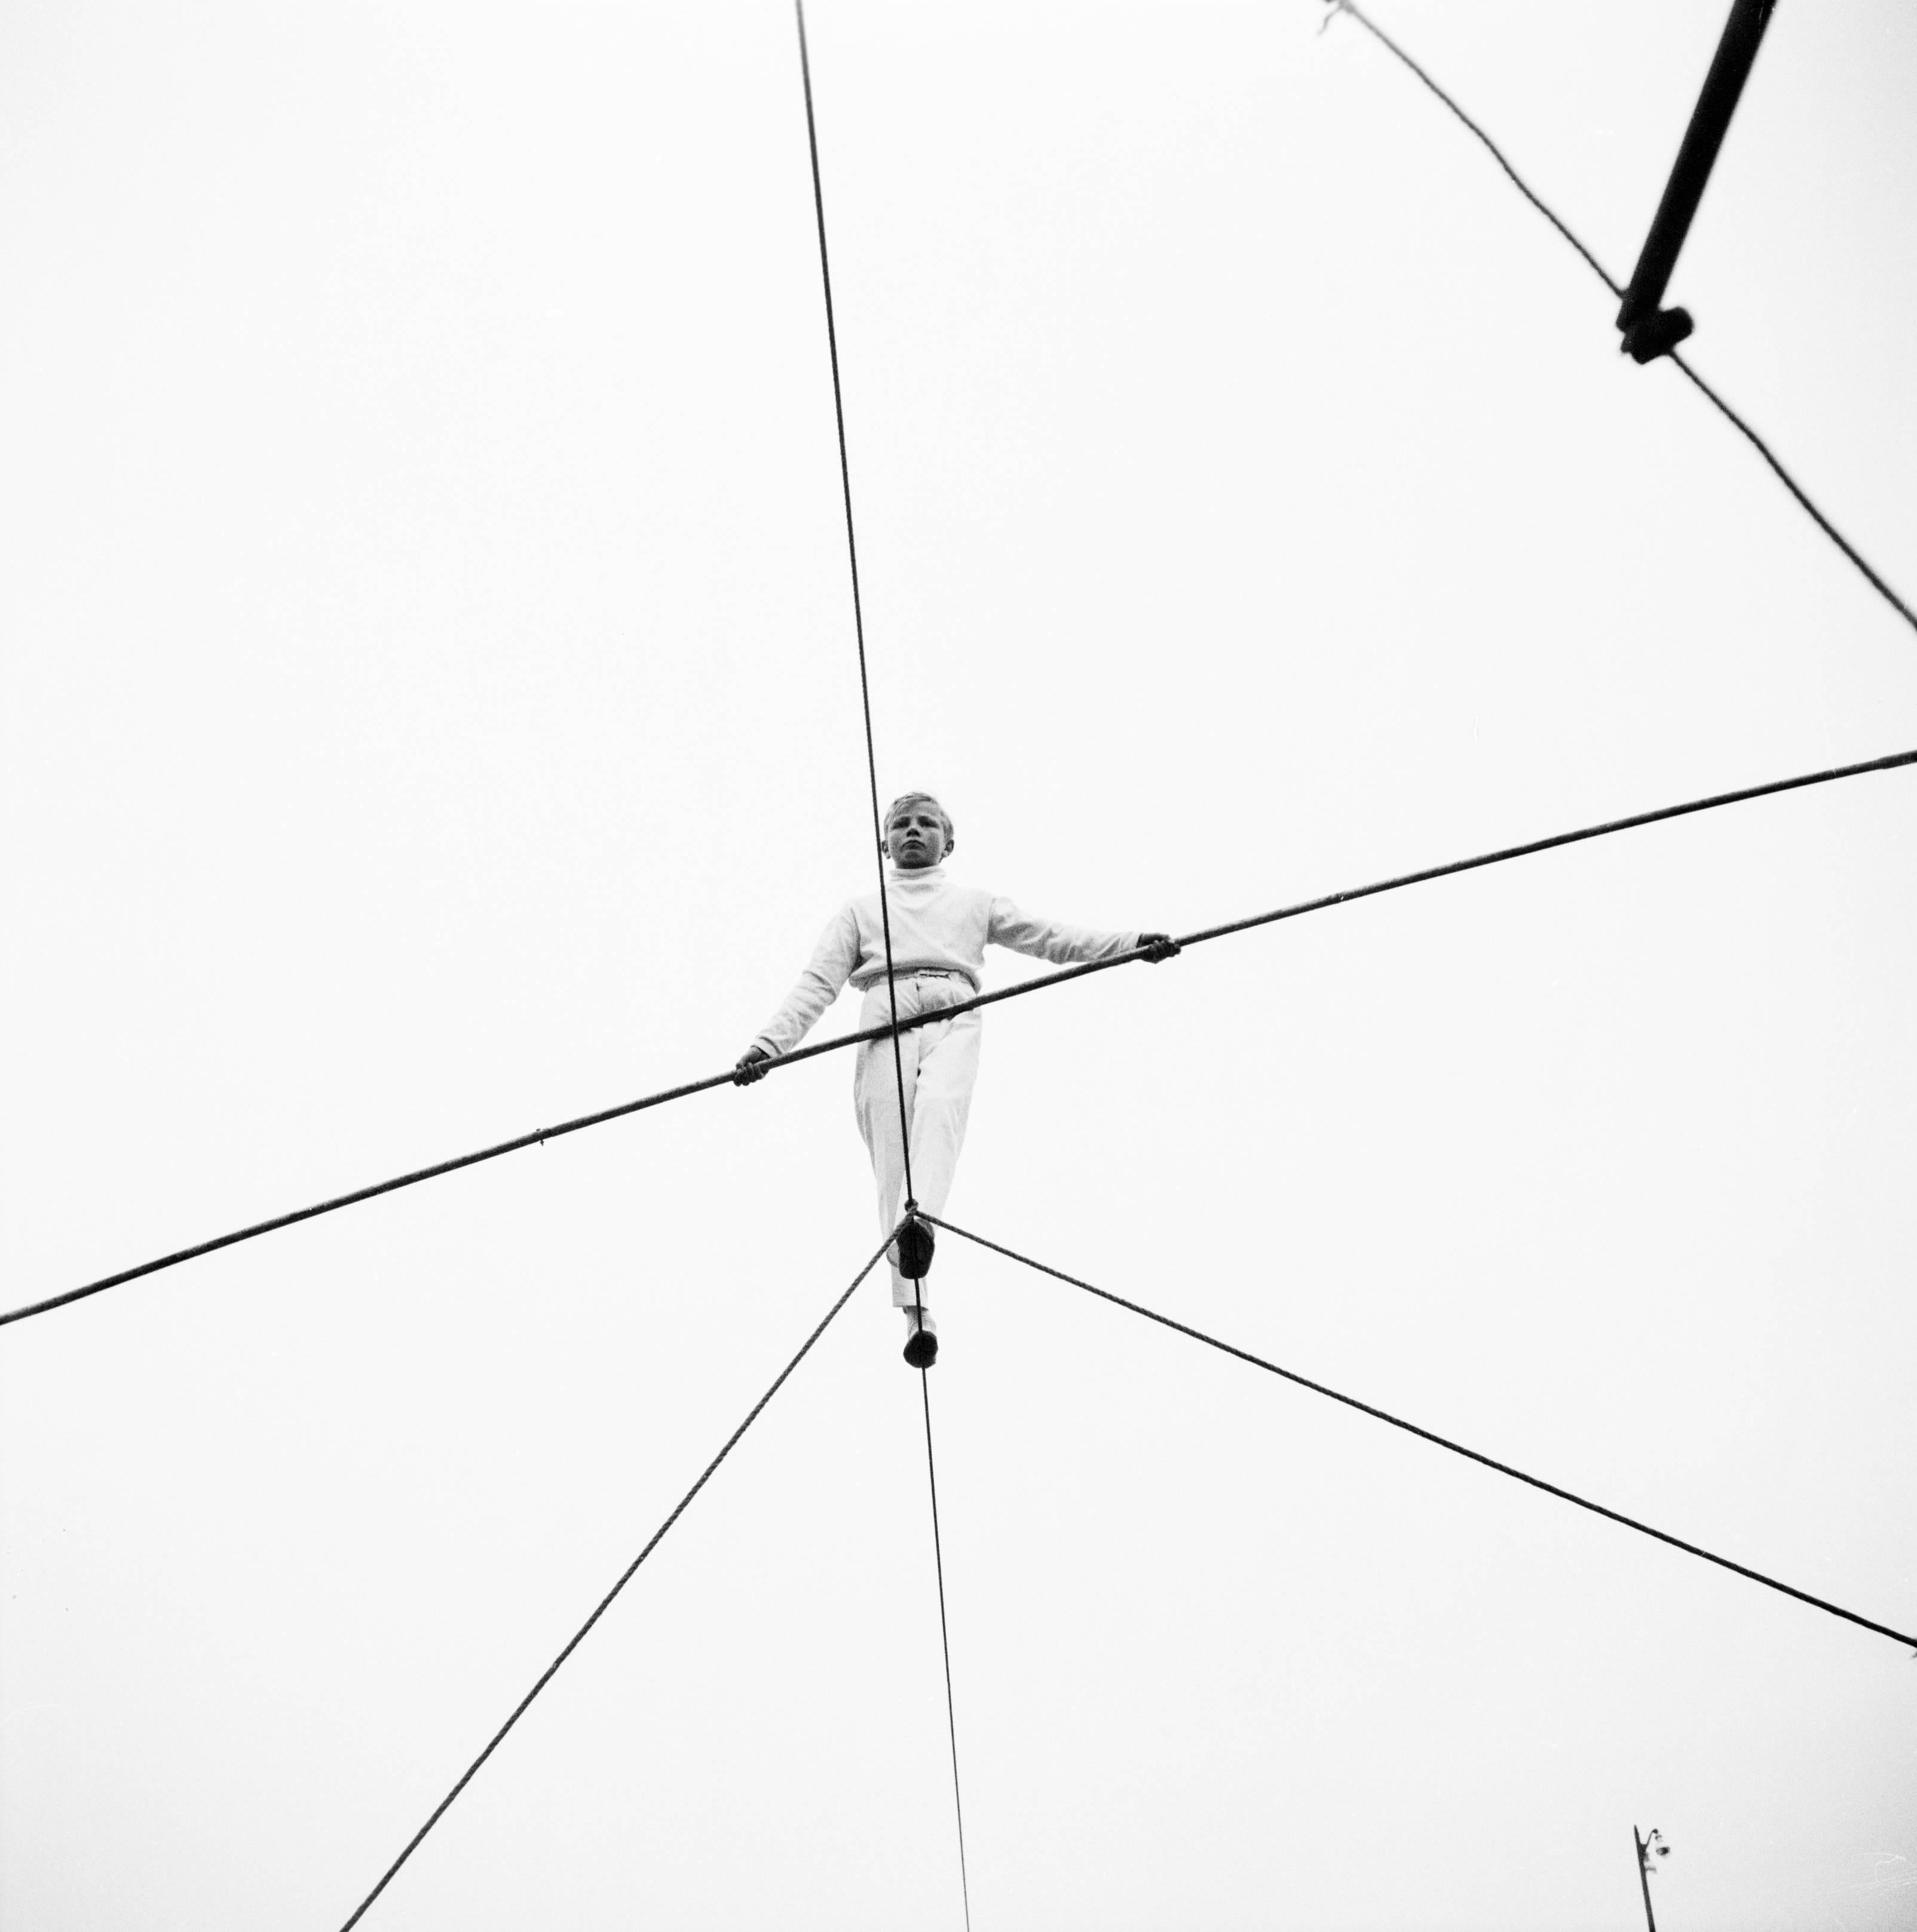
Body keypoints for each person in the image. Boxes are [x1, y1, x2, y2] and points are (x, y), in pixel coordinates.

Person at [734, 791, 1177, 1367]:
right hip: (884, 1011)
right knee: (894, 1157)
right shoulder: (859, 911)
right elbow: (816, 984)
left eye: (927, 824)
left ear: (949, 841)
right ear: (884, 842)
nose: (913, 831)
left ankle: (919, 1230)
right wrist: (769, 1045)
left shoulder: (975, 902)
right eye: (901, 824)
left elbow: (1051, 937)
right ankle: (918, 1313)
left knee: (939, 1115)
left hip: (954, 1008)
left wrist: (1128, 946)